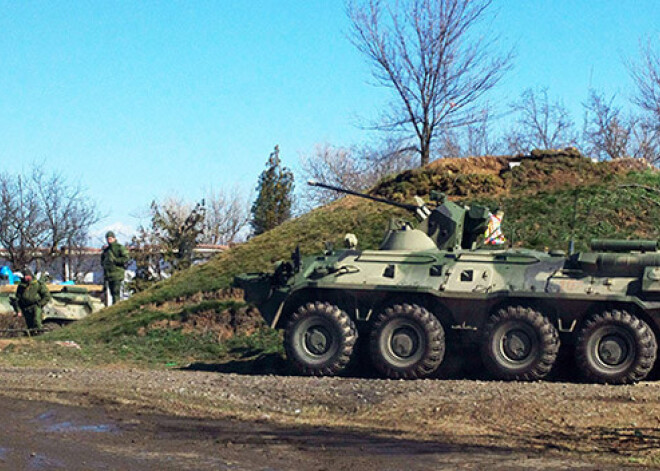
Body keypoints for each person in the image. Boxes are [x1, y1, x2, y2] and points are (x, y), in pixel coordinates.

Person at [101, 231, 130, 305]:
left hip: (117, 273)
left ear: (114, 238)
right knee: (111, 293)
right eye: (107, 239)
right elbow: (103, 260)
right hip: (108, 274)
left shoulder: (119, 247)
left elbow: (126, 258)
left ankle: (116, 306)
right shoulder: (106, 250)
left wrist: (116, 261)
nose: (109, 240)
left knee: (116, 293)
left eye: (110, 238)